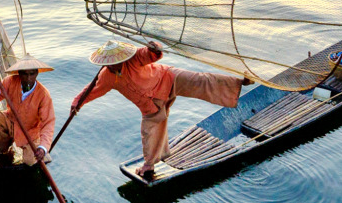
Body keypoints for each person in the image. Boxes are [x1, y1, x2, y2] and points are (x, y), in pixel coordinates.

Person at [70, 39, 251, 178]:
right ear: (106, 63)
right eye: (110, 63)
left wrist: (154, 47)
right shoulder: (106, 76)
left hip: (167, 79)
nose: (114, 64)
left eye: (116, 60)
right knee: (149, 131)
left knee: (199, 80)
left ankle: (240, 82)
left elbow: (150, 54)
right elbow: (91, 90)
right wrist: (76, 104)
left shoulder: (133, 58)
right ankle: (149, 165)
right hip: (150, 104)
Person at [0, 55, 56, 167]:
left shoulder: (43, 95)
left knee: (30, 162)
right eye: (24, 74)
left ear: (36, 74)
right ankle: (3, 150)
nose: (28, 78)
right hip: (10, 121)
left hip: (30, 132)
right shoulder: (10, 81)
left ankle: (43, 153)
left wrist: (43, 147)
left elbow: (48, 123)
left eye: (31, 74)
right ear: (19, 73)